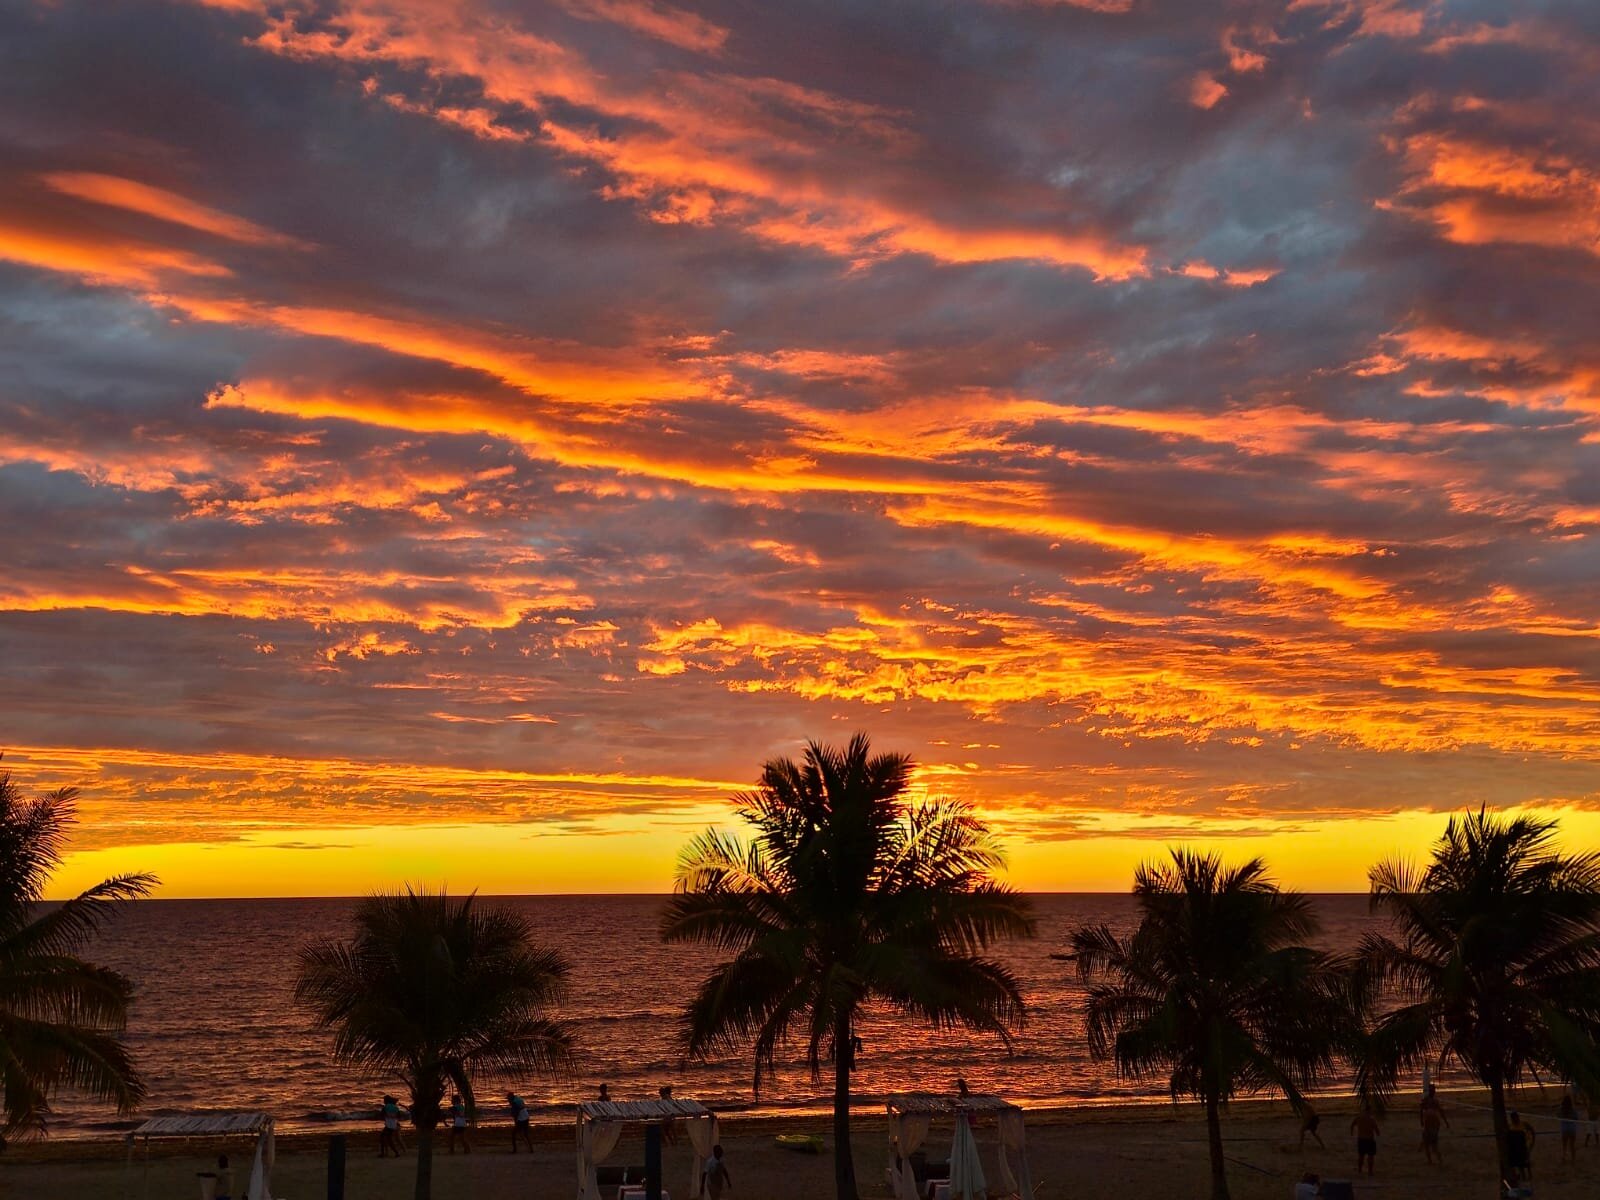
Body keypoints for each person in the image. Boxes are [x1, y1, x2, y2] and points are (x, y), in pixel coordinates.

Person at [1420, 1086, 1450, 1165]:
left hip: (1432, 1122)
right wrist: (1446, 1122)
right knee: (1431, 1143)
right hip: (1432, 1122)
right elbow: (1440, 1111)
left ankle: (1434, 1160)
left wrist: (1446, 1122)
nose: (1433, 1092)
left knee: (1430, 1143)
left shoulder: (1430, 1101)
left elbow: (1421, 1110)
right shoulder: (1430, 1101)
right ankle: (1435, 1160)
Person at [1506, 1110, 1534, 1183]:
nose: (1515, 1119)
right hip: (1515, 1146)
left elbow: (1532, 1131)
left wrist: (1531, 1143)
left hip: (1523, 1145)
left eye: (1516, 1117)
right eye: (1513, 1118)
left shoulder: (1523, 1124)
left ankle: (1529, 1175)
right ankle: (1523, 1176)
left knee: (1526, 1161)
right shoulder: (1510, 1126)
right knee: (1519, 1163)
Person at [1351, 1108, 1380, 1176]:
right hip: (1369, 1139)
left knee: (1361, 1155)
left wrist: (1351, 1132)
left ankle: (1360, 1170)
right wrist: (1377, 1134)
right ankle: (1370, 1171)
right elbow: (1377, 1131)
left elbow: (1352, 1124)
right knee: (1370, 1156)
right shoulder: (1372, 1120)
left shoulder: (1358, 1118)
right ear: (1369, 1112)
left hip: (1361, 1139)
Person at [1559, 1093, 1579, 1163]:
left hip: (1564, 1129)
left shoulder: (1561, 1109)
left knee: (1564, 1145)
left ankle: (1564, 1158)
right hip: (1572, 1129)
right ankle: (1573, 1159)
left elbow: (1558, 1115)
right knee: (1572, 1145)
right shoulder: (1573, 1110)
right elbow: (1576, 1118)